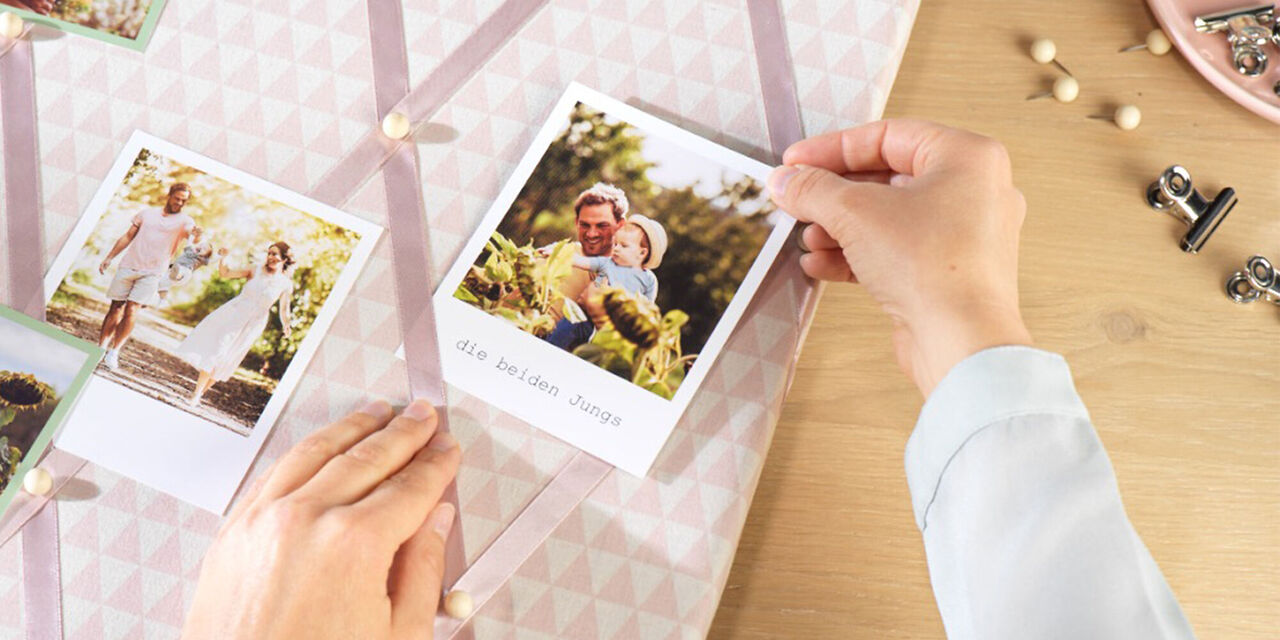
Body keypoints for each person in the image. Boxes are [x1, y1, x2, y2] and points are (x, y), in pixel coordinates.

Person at [181, 120, 1195, 639]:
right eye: (590, 220)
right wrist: (960, 324)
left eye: (613, 225)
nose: (598, 231)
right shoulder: (557, 252)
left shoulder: (632, 275)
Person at [173, 242, 295, 408]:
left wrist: (286, 325)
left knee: (228, 359)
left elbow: (284, 308)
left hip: (254, 324)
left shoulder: (285, 284)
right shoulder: (255, 269)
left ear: (285, 259)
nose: (271, 257)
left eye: (275, 254)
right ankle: (195, 395)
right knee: (217, 351)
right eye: (269, 253)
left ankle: (200, 394)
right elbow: (226, 273)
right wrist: (224, 257)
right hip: (235, 315)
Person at [97, 183, 195, 372]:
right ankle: (100, 348)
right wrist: (109, 257)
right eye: (177, 198)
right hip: (128, 266)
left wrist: (197, 235)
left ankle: (114, 351)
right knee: (115, 307)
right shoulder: (146, 213)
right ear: (169, 195)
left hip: (153, 273)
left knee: (132, 310)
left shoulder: (185, 221)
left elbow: (192, 234)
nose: (180, 203)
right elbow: (127, 237)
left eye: (184, 200)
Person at [541, 183, 629, 350]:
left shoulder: (626, 276)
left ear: (620, 225)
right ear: (576, 222)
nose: (591, 234)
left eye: (602, 226)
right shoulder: (561, 251)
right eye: (585, 225)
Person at [158, 226, 215, 302]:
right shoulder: (189, 250)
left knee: (179, 270)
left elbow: (212, 261)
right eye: (201, 246)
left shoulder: (201, 259)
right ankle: (160, 300)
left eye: (204, 249)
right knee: (163, 283)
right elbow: (189, 242)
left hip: (185, 272)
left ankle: (178, 274)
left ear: (205, 255)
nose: (201, 248)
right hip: (173, 273)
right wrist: (192, 235)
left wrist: (220, 256)